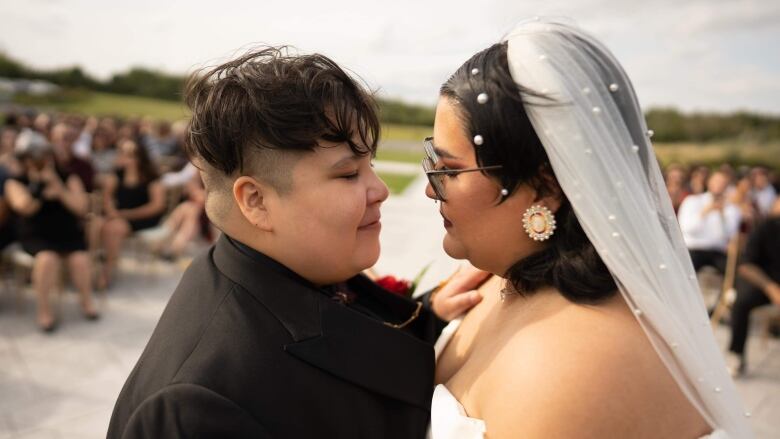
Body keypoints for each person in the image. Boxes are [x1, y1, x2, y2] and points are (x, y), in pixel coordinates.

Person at [107, 47, 473, 439]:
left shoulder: (284, 267)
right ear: (256, 202)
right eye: (349, 173)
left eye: (371, 166)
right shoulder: (198, 409)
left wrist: (427, 312)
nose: (379, 190)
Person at [424, 19, 751, 438]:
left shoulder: (569, 366)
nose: (432, 191)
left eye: (448, 169)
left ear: (544, 189)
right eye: (431, 161)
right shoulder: (494, 281)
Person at [4, 129, 98, 331]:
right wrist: (39, 187)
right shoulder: (16, 181)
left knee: (80, 260)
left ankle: (87, 302)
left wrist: (58, 187)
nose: (41, 161)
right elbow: (25, 207)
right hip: (36, 236)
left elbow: (81, 207)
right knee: (47, 259)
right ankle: (44, 311)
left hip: (67, 234)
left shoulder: (68, 178)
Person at [95, 138, 166, 289]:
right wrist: (113, 212)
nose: (124, 157)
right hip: (118, 216)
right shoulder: (116, 175)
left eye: (129, 154)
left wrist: (124, 215)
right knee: (96, 225)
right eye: (122, 153)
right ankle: (94, 265)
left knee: (114, 228)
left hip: (142, 218)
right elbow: (107, 198)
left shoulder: (151, 177)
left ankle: (106, 272)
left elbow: (156, 206)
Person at [726, 198, 780, 377]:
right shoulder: (765, 228)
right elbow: (746, 266)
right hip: (763, 283)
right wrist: (771, 288)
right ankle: (736, 354)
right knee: (741, 303)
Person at [678, 170, 741, 273]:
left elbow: (730, 235)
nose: (719, 185)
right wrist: (705, 212)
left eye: (722, 183)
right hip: (694, 249)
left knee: (736, 272)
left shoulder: (732, 209)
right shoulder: (692, 201)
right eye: (716, 181)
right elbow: (686, 228)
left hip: (717, 251)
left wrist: (722, 216)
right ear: (709, 182)